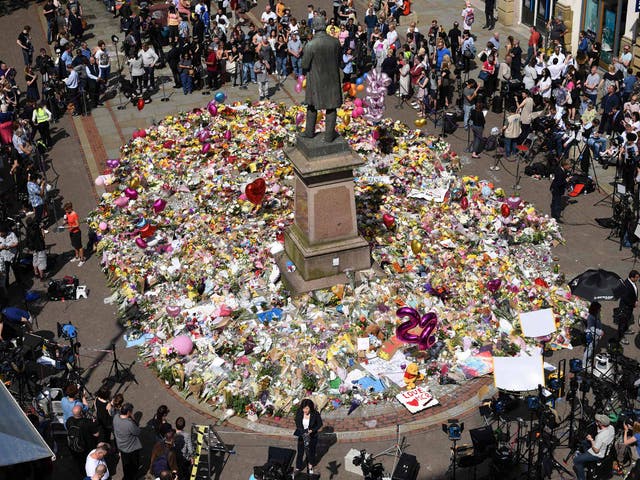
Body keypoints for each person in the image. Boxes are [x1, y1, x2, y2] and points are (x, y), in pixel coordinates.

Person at [572, 414, 615, 480]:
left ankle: (581, 478)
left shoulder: (601, 436)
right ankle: (587, 463)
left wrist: (591, 439)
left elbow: (596, 450)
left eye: (598, 421)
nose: (596, 421)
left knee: (576, 461)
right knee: (584, 442)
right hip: (606, 450)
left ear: (601, 424)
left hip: (598, 454)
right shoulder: (612, 428)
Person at [113, 403, 142, 480]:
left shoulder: (116, 417)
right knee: (134, 465)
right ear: (129, 412)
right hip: (131, 448)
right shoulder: (129, 423)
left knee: (125, 465)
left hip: (121, 446)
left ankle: (127, 476)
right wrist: (134, 420)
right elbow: (137, 432)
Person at [294, 398, 323, 474]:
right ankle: (298, 467)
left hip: (312, 436)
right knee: (300, 452)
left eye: (307, 408)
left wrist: (312, 430)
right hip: (302, 435)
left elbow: (320, 424)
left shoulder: (315, 413)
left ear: (311, 407)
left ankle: (310, 466)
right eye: (304, 408)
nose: (305, 410)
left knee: (311, 452)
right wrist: (302, 431)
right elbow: (297, 422)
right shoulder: (299, 412)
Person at [66, 404, 99, 469]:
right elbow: (96, 434)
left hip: (74, 447)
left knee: (79, 461)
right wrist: (94, 424)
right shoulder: (87, 422)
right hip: (86, 448)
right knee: (86, 461)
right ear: (81, 413)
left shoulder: (69, 420)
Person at [613, 270, 640, 344]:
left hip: (629, 307)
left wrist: (636, 300)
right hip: (625, 307)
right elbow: (625, 298)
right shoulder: (626, 285)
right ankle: (620, 336)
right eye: (636, 277)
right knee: (622, 323)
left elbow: (634, 292)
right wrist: (633, 304)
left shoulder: (632, 282)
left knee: (627, 320)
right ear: (632, 277)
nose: (638, 279)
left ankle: (626, 329)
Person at [25, 217, 47, 281]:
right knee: (41, 262)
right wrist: (42, 229)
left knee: (35, 259)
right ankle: (42, 277)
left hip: (33, 247)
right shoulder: (36, 229)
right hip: (40, 247)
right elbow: (43, 237)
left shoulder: (28, 229)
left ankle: (36, 273)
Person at [63, 202, 85, 266]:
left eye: (66, 210)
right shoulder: (67, 213)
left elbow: (78, 224)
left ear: (70, 208)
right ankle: (77, 256)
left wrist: (69, 226)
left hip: (76, 232)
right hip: (71, 232)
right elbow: (66, 221)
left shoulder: (74, 214)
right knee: (74, 245)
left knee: (79, 246)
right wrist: (64, 222)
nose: (66, 211)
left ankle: (82, 259)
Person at [583, 301, 603, 368]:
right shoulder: (591, 317)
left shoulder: (596, 315)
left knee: (591, 349)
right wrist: (600, 332)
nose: (600, 310)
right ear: (596, 309)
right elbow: (591, 328)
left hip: (595, 336)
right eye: (599, 309)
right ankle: (585, 364)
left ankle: (588, 361)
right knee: (589, 351)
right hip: (591, 336)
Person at [0, 224, 19, 289]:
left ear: (4, 231)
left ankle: (19, 282)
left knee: (16, 270)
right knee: (6, 273)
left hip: (13, 256)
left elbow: (16, 243)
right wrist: (1, 247)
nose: (0, 234)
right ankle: (7, 286)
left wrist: (9, 246)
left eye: (1, 232)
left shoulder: (11, 234)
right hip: (4, 258)